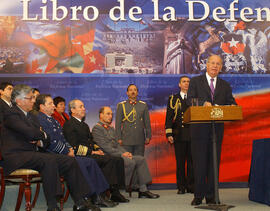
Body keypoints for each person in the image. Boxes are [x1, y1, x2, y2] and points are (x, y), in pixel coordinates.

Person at [0, 84, 99, 211]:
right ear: (19, 100)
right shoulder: (10, 114)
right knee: (48, 159)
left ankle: (80, 202)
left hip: (32, 155)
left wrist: (39, 138)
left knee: (69, 161)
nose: (33, 101)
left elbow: (46, 140)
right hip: (16, 156)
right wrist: (39, 135)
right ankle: (52, 205)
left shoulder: (32, 116)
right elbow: (31, 133)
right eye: (30, 98)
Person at [35, 94, 116, 208]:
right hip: (50, 154)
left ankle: (99, 195)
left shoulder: (54, 121)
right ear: (42, 106)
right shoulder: (40, 119)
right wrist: (67, 151)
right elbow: (51, 142)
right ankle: (86, 198)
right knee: (80, 163)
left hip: (64, 154)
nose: (54, 106)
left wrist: (69, 149)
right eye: (50, 104)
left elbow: (63, 139)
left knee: (90, 162)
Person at [187, 55, 237, 205]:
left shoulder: (225, 85)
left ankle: (212, 195)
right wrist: (203, 103)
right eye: (212, 63)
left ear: (221, 67)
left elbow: (231, 102)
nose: (215, 66)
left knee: (213, 164)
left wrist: (233, 106)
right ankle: (198, 195)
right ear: (206, 65)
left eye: (218, 64)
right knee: (199, 162)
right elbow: (190, 100)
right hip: (199, 130)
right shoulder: (195, 81)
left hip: (216, 130)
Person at [63, 99, 128, 203]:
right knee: (108, 160)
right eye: (81, 107)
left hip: (91, 153)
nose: (84, 109)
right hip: (81, 156)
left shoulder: (84, 125)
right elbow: (74, 147)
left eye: (83, 106)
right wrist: (92, 152)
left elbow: (92, 141)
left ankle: (115, 192)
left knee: (117, 159)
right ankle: (101, 194)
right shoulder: (69, 125)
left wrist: (98, 149)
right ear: (73, 110)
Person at [92, 106, 160, 199]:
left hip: (118, 154)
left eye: (111, 114)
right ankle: (121, 189)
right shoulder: (97, 128)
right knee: (129, 162)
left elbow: (117, 145)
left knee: (140, 159)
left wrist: (126, 153)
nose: (111, 116)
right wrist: (122, 154)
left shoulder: (111, 129)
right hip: (108, 156)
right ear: (101, 115)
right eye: (108, 114)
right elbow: (105, 147)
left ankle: (143, 190)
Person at [165, 76, 194, 195]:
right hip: (179, 135)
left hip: (193, 135)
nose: (186, 84)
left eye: (188, 82)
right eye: (184, 82)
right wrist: (169, 133)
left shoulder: (195, 98)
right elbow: (169, 117)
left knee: (192, 162)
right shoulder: (173, 99)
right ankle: (181, 186)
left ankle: (191, 186)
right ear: (179, 84)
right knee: (180, 162)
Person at [115, 84, 151, 156]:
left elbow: (147, 123)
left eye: (135, 90)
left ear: (137, 92)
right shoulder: (121, 105)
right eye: (130, 90)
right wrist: (119, 138)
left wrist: (148, 136)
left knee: (139, 161)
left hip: (139, 139)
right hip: (126, 140)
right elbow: (118, 124)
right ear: (127, 93)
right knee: (128, 163)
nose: (133, 92)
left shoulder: (143, 105)